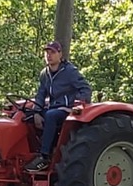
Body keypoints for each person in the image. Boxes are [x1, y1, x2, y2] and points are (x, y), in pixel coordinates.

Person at [26, 41, 92, 171]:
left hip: (66, 110)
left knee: (51, 115)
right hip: (53, 108)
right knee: (25, 116)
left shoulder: (70, 72)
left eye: (52, 52)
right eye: (47, 53)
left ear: (60, 54)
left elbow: (85, 89)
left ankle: (44, 156)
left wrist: (73, 107)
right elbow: (41, 94)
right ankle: (30, 153)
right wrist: (37, 112)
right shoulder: (45, 73)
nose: (49, 55)